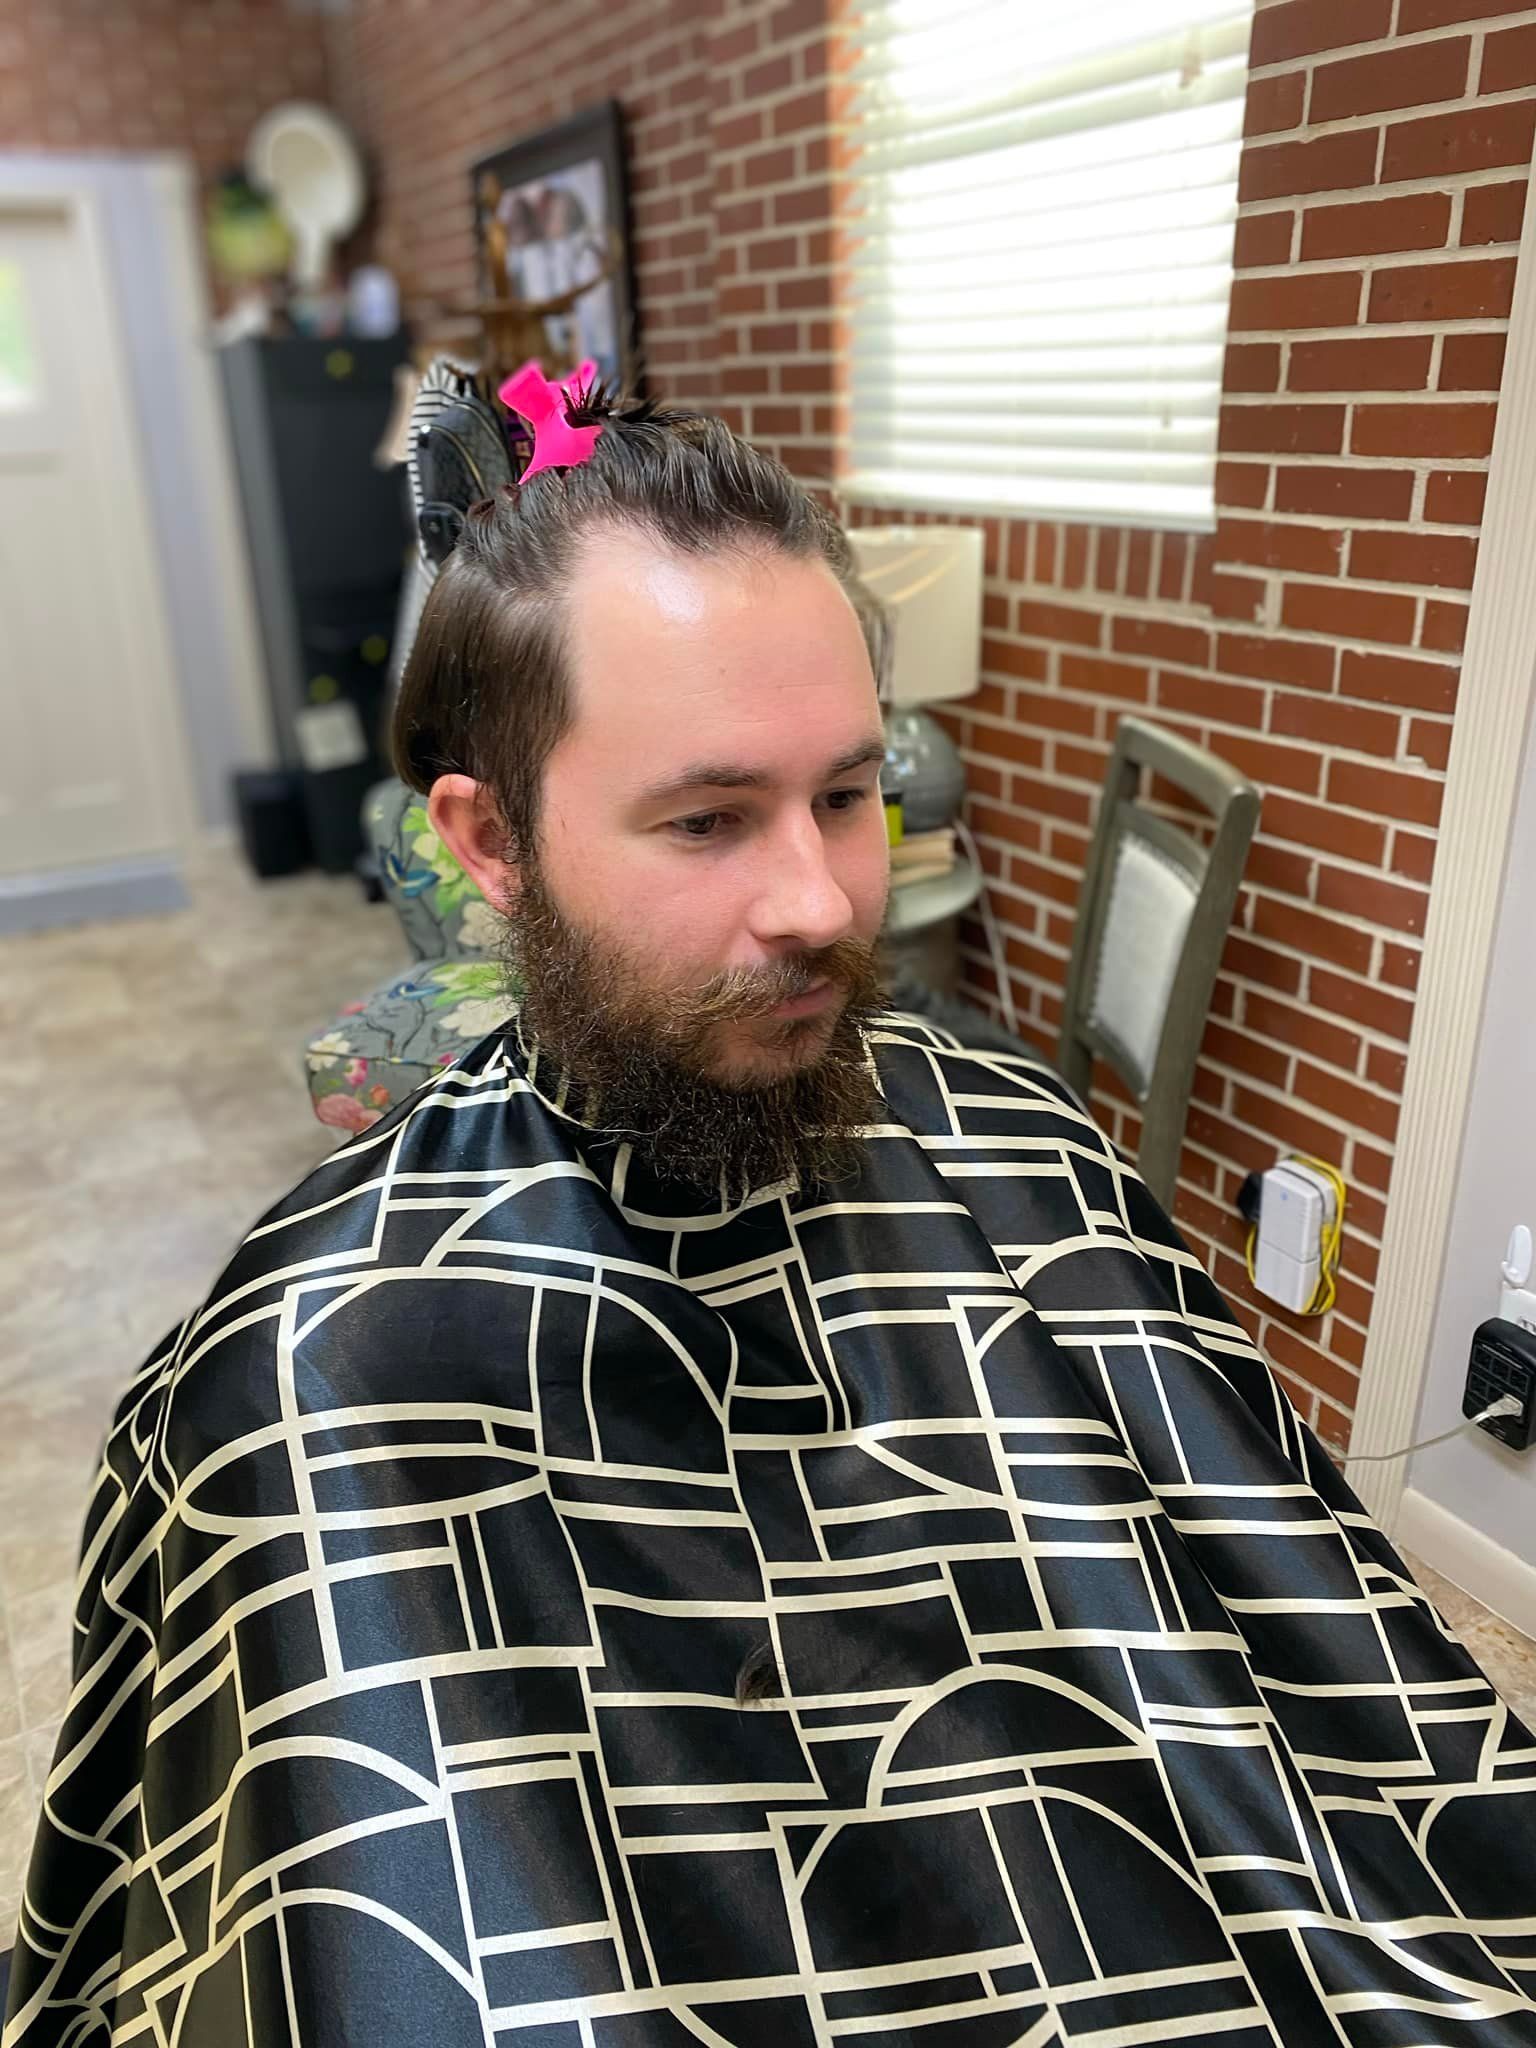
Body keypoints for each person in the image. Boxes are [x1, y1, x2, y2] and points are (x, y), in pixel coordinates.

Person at [6, 379, 1535, 2047]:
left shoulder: (1025, 1149)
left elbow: (1341, 1711)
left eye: (849, 794)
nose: (820, 899)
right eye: (710, 818)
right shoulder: (317, 1361)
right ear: (492, 840)